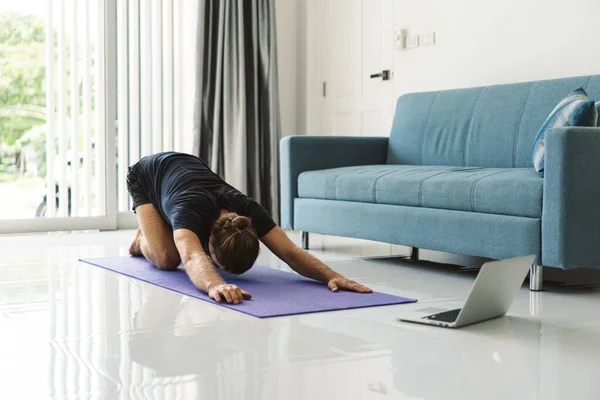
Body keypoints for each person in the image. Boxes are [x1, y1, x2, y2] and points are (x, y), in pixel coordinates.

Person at [127, 152, 372, 305]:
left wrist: (333, 276)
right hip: (148, 174)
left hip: (187, 169)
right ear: (210, 238)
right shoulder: (188, 209)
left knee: (182, 242)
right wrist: (215, 285)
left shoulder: (249, 210)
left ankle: (157, 228)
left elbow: (290, 252)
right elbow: (191, 256)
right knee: (167, 258)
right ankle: (143, 238)